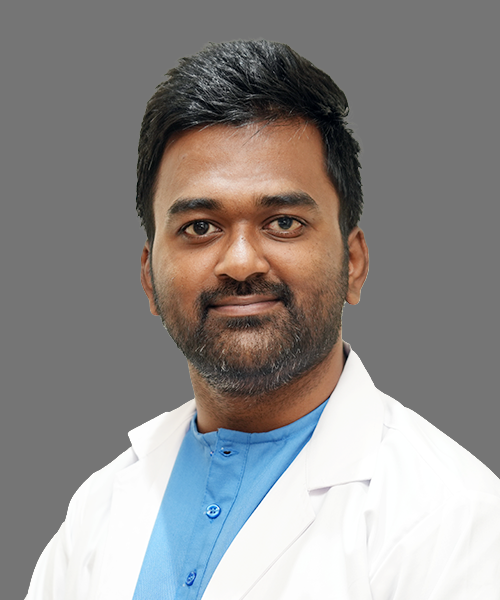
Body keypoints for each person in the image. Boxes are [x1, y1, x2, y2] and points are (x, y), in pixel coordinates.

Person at [26, 40, 500, 600]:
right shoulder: (97, 510)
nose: (241, 262)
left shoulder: (453, 519)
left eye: (283, 222)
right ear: (149, 278)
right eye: (200, 227)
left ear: (353, 263)